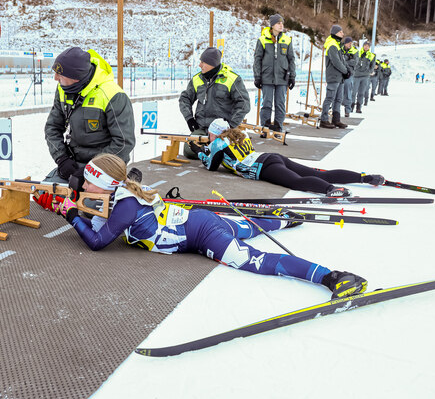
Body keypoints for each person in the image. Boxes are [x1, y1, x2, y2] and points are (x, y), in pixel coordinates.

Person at [34, 153, 368, 299]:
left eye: (88, 183)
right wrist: (59, 205)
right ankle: (283, 217)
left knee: (252, 259)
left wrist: (70, 214)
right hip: (196, 222)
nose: (84, 187)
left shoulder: (124, 205)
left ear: (105, 185)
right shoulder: (116, 196)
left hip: (200, 234)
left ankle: (331, 277)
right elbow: (94, 215)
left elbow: (97, 242)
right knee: (244, 229)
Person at [188, 118, 385, 198]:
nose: (209, 137)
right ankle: (365, 178)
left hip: (261, 167)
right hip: (270, 157)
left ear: (215, 133)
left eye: (210, 133)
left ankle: (330, 190)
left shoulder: (218, 143)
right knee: (317, 172)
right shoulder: (240, 134)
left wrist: (198, 151)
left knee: (296, 182)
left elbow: (211, 165)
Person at [44, 47, 135, 189]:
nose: (55, 78)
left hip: (105, 167)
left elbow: (123, 143)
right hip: (73, 163)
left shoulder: (113, 95)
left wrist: (91, 170)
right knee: (46, 193)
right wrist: (62, 159)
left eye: (60, 74)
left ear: (75, 77)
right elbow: (52, 128)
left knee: (89, 202)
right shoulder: (62, 88)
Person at [179, 46, 250, 159]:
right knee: (189, 150)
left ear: (212, 64)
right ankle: (212, 151)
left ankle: (213, 151)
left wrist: (231, 125)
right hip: (202, 128)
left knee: (229, 152)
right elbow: (185, 98)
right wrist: (189, 118)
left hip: (223, 131)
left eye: (203, 62)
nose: (200, 65)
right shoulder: (197, 79)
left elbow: (244, 103)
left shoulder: (232, 79)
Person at [253, 13, 296, 133]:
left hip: (282, 78)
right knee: (267, 104)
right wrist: (257, 76)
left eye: (282, 23)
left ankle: (278, 129)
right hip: (267, 77)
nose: (281, 25)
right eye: (278, 23)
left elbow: (291, 59)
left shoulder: (287, 40)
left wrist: (292, 76)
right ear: (272, 25)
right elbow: (257, 59)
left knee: (280, 104)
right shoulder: (262, 40)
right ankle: (265, 128)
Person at [319, 24, 349, 129]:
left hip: (339, 77)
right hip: (333, 76)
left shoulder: (337, 44)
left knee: (338, 99)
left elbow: (342, 60)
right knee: (330, 98)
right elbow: (336, 62)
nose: (343, 34)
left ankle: (336, 120)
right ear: (335, 33)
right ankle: (324, 119)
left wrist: (347, 70)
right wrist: (345, 71)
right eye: (341, 32)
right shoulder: (332, 45)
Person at [353, 42, 375, 113]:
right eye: (365, 45)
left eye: (368, 46)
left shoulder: (372, 55)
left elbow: (372, 65)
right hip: (356, 75)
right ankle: (351, 106)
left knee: (361, 92)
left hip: (365, 76)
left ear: (369, 47)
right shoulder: (357, 53)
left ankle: (358, 107)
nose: (366, 47)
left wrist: (369, 71)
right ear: (363, 46)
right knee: (353, 92)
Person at [340, 36, 357, 117]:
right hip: (340, 73)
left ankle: (347, 110)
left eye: (351, 43)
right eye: (348, 43)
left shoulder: (355, 51)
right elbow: (338, 60)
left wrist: (344, 60)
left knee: (347, 92)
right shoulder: (340, 49)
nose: (350, 44)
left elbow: (355, 62)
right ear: (345, 43)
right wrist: (348, 59)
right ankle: (335, 109)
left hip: (349, 74)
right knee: (338, 91)